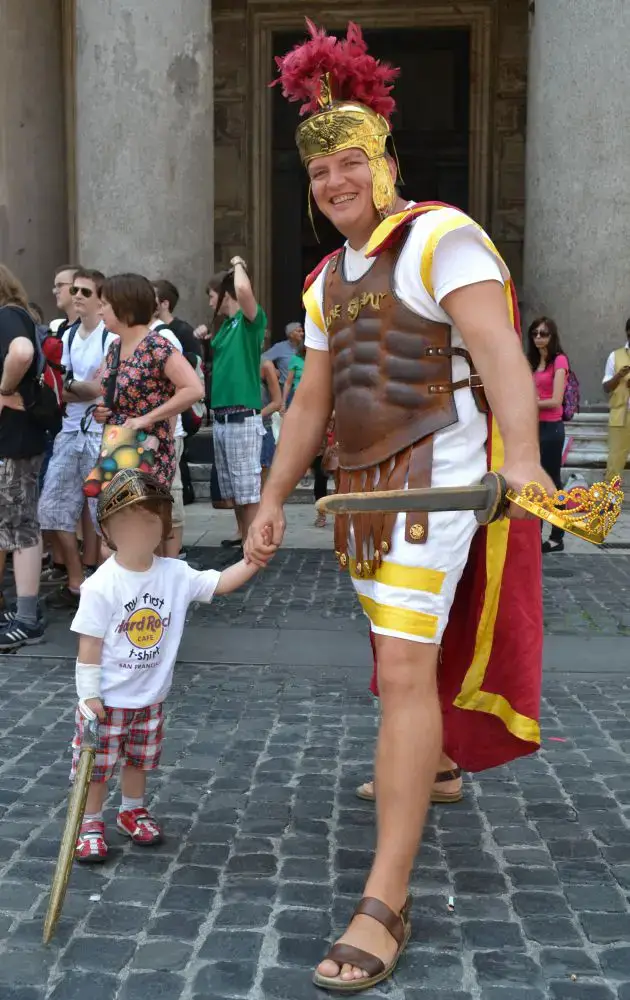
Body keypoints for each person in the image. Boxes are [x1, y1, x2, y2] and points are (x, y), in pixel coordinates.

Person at [246, 22, 552, 992]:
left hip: (440, 489)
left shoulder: (443, 235)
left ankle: (387, 896)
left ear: (384, 161)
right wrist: (273, 496)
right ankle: (438, 768)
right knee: (396, 643)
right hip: (364, 498)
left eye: (350, 160)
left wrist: (532, 457)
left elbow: (501, 349)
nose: (334, 179)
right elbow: (312, 400)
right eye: (319, 168)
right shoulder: (323, 281)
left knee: (407, 669)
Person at [71, 469, 259, 861]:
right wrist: (88, 695)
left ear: (163, 527)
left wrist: (253, 560)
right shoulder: (102, 585)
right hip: (108, 699)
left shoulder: (175, 574)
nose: (139, 534)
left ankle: (131, 809)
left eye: (148, 524)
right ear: (108, 530)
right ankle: (90, 821)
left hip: (150, 697)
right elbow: (88, 645)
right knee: (98, 767)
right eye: (128, 525)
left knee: (139, 759)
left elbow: (220, 583)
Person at [38, 269, 116, 608]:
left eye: (86, 291)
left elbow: (98, 389)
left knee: (106, 512)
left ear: (101, 300)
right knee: (51, 509)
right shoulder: (68, 336)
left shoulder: (109, 338)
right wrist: (74, 389)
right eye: (76, 290)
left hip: (101, 435)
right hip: (70, 433)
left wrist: (68, 387)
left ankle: (106, 582)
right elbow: (66, 392)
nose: (78, 295)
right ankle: (76, 580)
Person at [0, 265, 48, 649]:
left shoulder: (7, 316)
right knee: (14, 527)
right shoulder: (16, 315)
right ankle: (24, 612)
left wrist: (3, 388)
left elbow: (21, 352)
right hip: (15, 440)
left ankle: (28, 618)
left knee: (20, 529)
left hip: (13, 442)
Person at [207, 260, 267, 543]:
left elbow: (243, 289)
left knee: (248, 492)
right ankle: (245, 539)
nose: (209, 303)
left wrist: (239, 264)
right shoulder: (227, 327)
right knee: (236, 493)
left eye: (211, 296)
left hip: (242, 417)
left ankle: (253, 545)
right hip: (222, 419)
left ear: (224, 294)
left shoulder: (249, 323)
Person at [526, 317, 569, 553]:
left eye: (544, 333)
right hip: (533, 427)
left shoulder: (559, 361)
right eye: (535, 333)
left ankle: (557, 535)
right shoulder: (532, 362)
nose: (539, 338)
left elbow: (555, 400)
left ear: (552, 336)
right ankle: (536, 532)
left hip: (552, 429)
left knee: (552, 482)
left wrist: (529, 403)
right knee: (536, 483)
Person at [603, 318, 630, 482]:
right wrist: (619, 376)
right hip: (621, 416)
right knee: (614, 465)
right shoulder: (615, 356)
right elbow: (606, 387)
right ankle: (611, 506)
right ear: (628, 331)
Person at [153, 278, 201, 357]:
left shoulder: (184, 331)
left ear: (165, 304)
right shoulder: (149, 329)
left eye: (152, 297)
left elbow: (197, 363)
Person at [260, 356, 282, 484]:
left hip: (263, 426)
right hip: (240, 425)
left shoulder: (265, 365)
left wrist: (255, 417)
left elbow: (277, 402)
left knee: (263, 470)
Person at [262, 321, 304, 387]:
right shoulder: (280, 347)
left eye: (302, 331)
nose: (302, 334)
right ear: (291, 334)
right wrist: (272, 370)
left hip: (302, 387)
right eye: (298, 331)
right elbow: (262, 358)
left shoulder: (305, 347)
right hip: (287, 388)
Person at [281, 341, 306, 413]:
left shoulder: (316, 360)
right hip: (297, 396)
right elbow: (288, 383)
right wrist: (283, 403)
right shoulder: (295, 359)